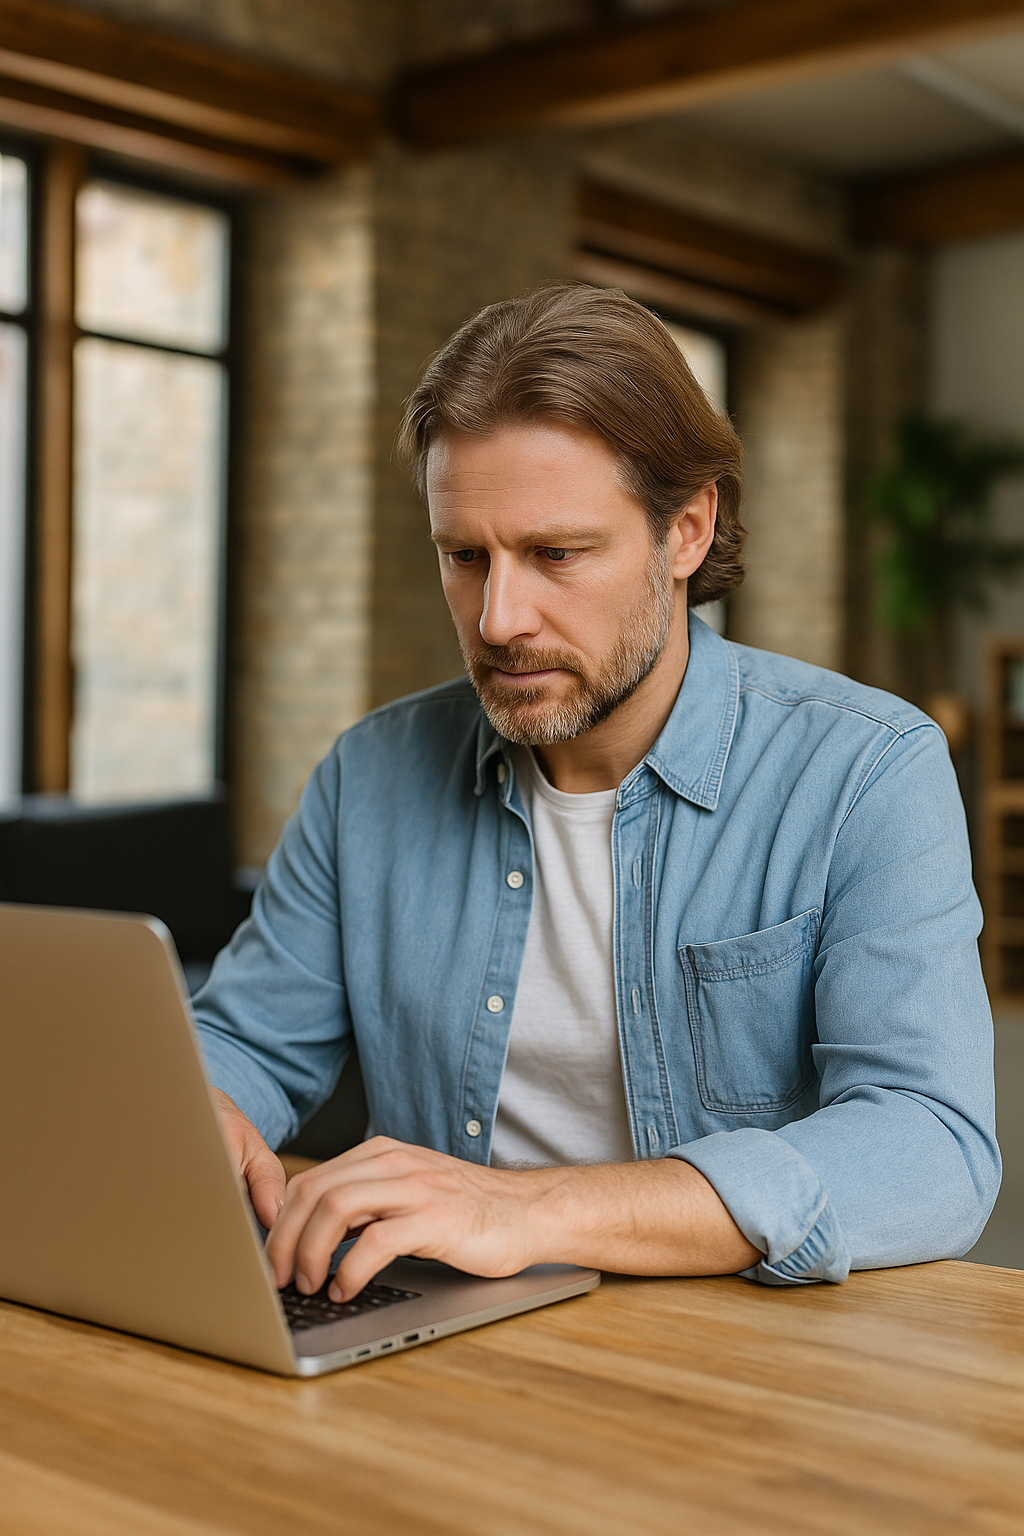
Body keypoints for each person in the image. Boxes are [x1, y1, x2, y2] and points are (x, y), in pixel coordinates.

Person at [194, 284, 999, 1306]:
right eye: (464, 557)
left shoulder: (865, 770)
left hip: (738, 1362)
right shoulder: (370, 774)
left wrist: (527, 1209)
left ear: (687, 531)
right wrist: (202, 1107)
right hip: (430, 1334)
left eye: (556, 554)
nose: (498, 619)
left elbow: (929, 1145)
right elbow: (249, 1041)